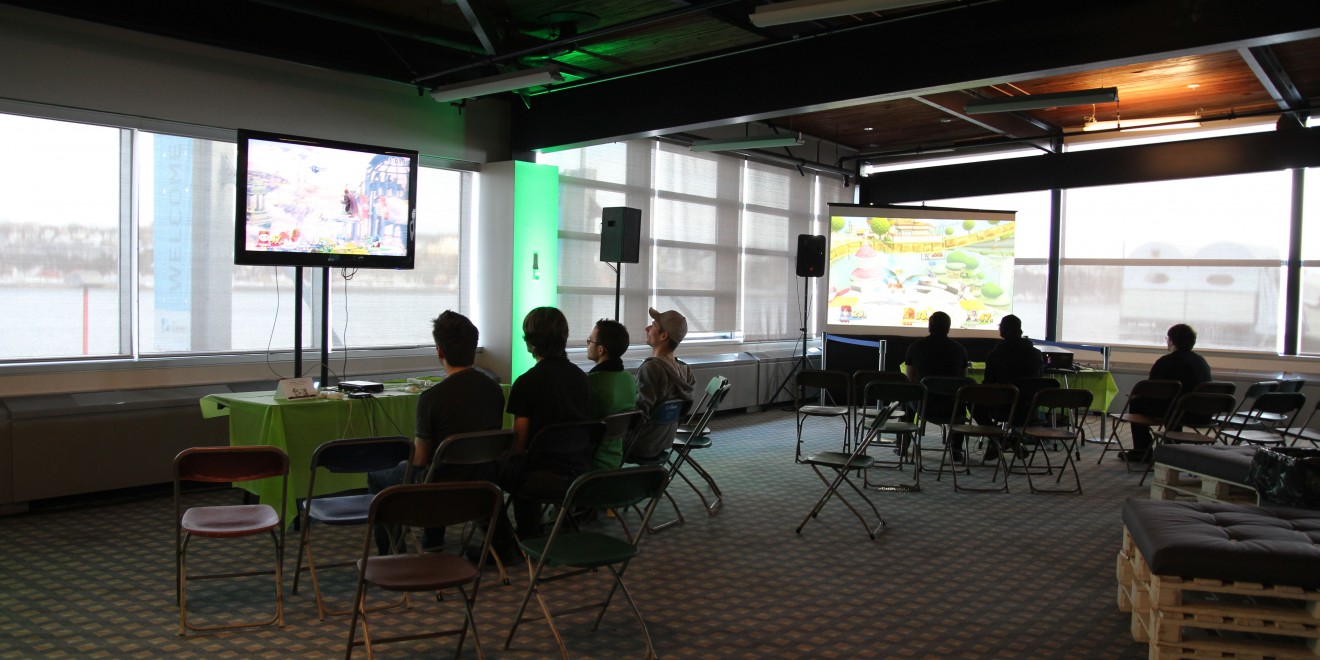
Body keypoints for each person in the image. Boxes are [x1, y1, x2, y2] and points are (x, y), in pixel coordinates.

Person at [366, 310, 505, 553]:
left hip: (439, 489)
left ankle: (391, 553)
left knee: (379, 474)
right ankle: (432, 543)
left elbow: (420, 459)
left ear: (440, 351)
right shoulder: (494, 390)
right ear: (473, 349)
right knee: (439, 468)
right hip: (483, 482)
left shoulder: (431, 398)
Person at [501, 307, 593, 540]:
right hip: (580, 472)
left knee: (491, 470)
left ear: (530, 343)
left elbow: (519, 445)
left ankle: (511, 540)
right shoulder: (582, 379)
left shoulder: (526, 383)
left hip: (539, 477)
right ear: (564, 337)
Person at [1124, 323, 1212, 463]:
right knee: (1176, 404)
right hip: (1203, 414)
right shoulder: (1202, 362)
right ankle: (1172, 446)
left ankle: (1142, 451)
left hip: (1175, 413)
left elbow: (1152, 391)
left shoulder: (1165, 362)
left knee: (1136, 403)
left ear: (1171, 340)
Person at [625, 307, 696, 463]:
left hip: (639, 443)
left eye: (653, 326)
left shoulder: (651, 368)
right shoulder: (685, 371)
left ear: (664, 335)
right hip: (664, 441)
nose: (647, 328)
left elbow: (639, 413)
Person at [976, 314, 1045, 460]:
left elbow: (987, 386)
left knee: (974, 404)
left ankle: (999, 439)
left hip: (1003, 408)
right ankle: (1011, 438)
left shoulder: (995, 355)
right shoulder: (1036, 354)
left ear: (1003, 330)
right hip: (1030, 410)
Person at [904, 311, 969, 459]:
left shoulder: (915, 347)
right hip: (952, 407)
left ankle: (903, 445)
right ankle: (956, 450)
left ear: (929, 326)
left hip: (924, 405)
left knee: (907, 399)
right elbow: (963, 380)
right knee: (961, 404)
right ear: (948, 328)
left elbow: (910, 379)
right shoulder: (959, 349)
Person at [586, 318, 636, 470]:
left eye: (590, 341)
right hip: (615, 459)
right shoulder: (630, 379)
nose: (587, 344)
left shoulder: (590, 382)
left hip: (588, 460)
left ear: (601, 350)